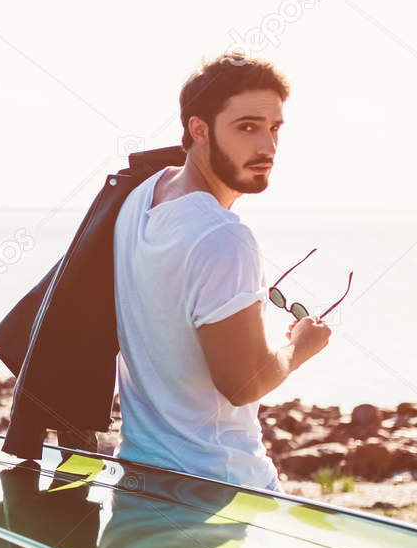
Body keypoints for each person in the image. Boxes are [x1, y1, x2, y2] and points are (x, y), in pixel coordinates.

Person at [112, 52, 331, 491]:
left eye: (274, 128)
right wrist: (301, 346)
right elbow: (244, 383)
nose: (267, 147)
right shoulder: (224, 237)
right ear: (199, 130)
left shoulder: (141, 196)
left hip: (140, 473)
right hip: (220, 486)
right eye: (247, 127)